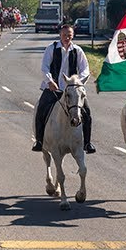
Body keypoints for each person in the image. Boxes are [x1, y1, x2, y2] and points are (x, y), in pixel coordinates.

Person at [32, 23, 94, 154]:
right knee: (41, 108)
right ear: (60, 35)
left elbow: (85, 69)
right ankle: (39, 141)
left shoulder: (77, 50)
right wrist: (49, 81)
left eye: (69, 35)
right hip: (54, 88)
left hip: (72, 89)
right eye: (65, 35)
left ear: (73, 36)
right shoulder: (51, 48)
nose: (67, 38)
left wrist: (78, 82)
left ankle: (87, 143)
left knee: (87, 112)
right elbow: (44, 67)